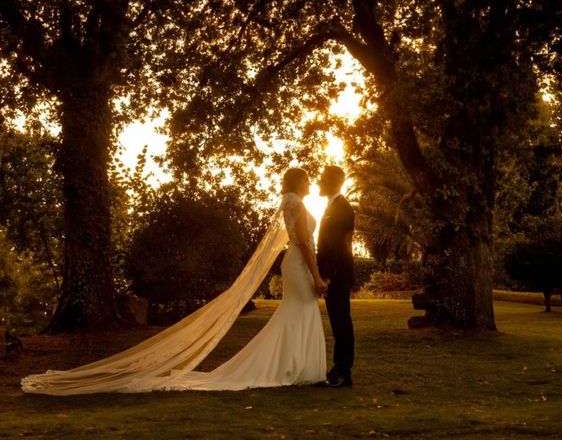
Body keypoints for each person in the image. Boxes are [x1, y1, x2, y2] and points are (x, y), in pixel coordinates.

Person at [22, 168, 328, 395]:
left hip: (295, 264)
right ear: (298, 181)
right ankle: (290, 366)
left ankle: (295, 365)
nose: (309, 183)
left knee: (296, 313)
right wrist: (316, 275)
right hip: (300, 264)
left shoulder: (289, 203)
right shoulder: (297, 205)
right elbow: (302, 242)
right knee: (296, 313)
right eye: (306, 179)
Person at [317, 165, 355, 388]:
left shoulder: (343, 208)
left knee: (341, 322)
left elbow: (341, 246)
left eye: (322, 179)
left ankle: (343, 371)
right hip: (334, 274)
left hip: (338, 275)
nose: (318, 182)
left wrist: (329, 275)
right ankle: (338, 368)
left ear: (332, 182)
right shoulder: (331, 206)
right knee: (337, 321)